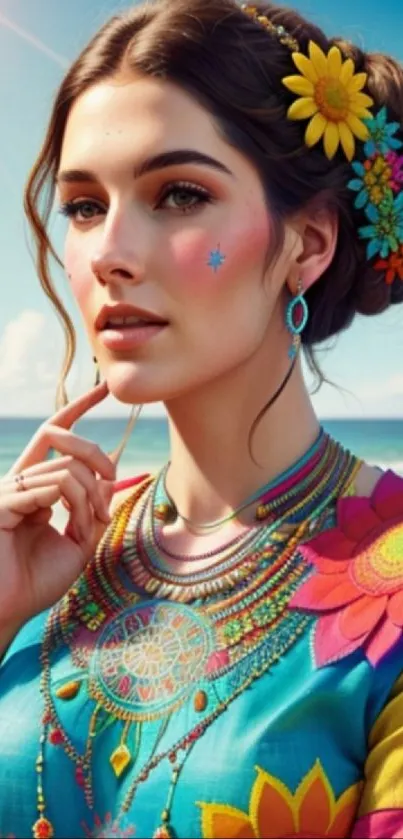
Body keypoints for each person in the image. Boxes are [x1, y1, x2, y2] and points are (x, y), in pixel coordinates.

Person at [1, 0, 403, 836]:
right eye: (82, 205)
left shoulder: (390, 587)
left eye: (178, 194)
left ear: (308, 243)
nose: (110, 250)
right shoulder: (47, 550)